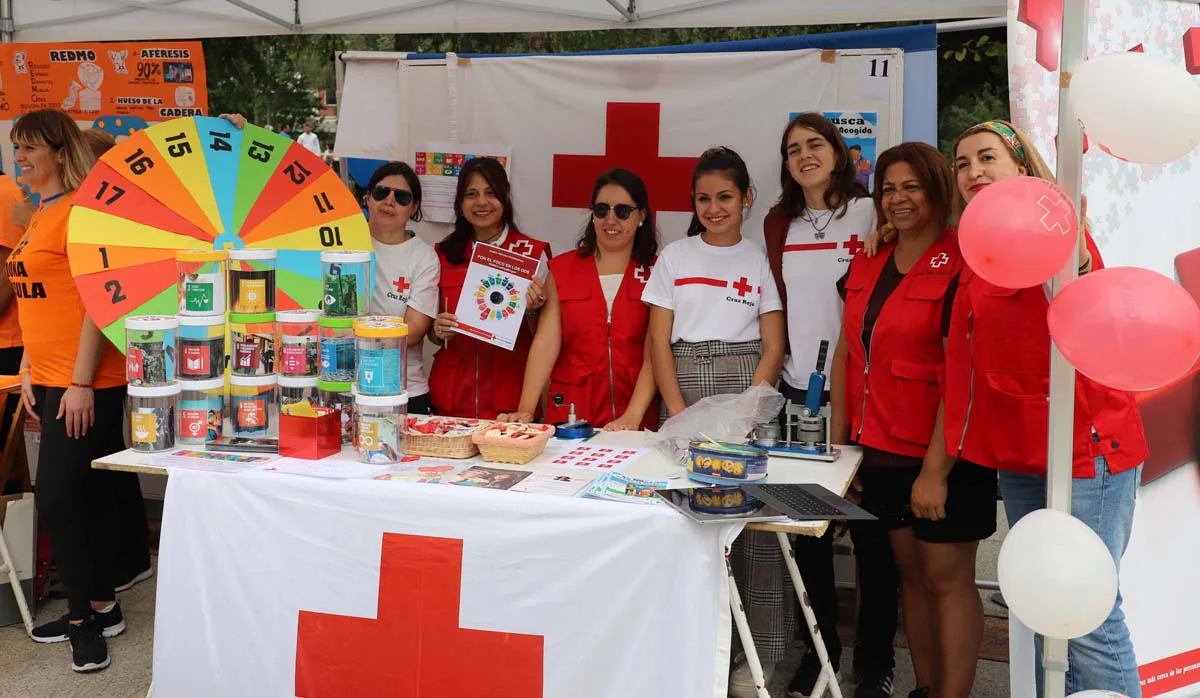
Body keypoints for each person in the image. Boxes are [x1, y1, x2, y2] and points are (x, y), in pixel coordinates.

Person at [945, 120, 1146, 698]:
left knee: (1089, 613)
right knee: (1041, 605)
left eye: (987, 158)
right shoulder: (974, 248)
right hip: (1022, 452)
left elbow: (1082, 283)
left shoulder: (1055, 231)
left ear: (1022, 167)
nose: (973, 172)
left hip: (1086, 447)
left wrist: (1075, 251)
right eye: (962, 164)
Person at [838, 142, 995, 698]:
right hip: (880, 449)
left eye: (911, 186)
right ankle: (927, 689)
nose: (897, 199)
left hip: (944, 457)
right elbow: (848, 355)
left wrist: (935, 471)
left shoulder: (965, 262)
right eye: (887, 188)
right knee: (913, 579)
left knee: (948, 581)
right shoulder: (871, 258)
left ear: (935, 189)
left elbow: (964, 375)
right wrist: (842, 452)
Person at [763, 112, 899, 698]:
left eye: (815, 144)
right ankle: (819, 653)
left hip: (866, 398)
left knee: (871, 536)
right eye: (793, 148)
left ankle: (874, 664)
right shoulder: (778, 222)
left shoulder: (874, 211)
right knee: (807, 530)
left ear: (839, 152)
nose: (804, 155)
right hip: (801, 393)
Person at [641, 147, 785, 697]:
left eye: (725, 196)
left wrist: (747, 410)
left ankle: (760, 659)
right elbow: (658, 340)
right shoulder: (675, 256)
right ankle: (691, 655)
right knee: (687, 524)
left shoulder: (758, 257)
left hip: (747, 396)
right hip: (684, 390)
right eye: (704, 198)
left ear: (747, 198)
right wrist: (679, 414)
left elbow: (773, 344)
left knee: (754, 530)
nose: (714, 207)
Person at [12, 109, 129, 672]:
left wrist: (80, 382)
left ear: (60, 151)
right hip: (55, 377)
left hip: (88, 382)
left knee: (59, 498)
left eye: (31, 147)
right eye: (16, 147)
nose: (20, 157)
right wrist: (32, 365)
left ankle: (85, 624)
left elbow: (96, 302)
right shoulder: (43, 212)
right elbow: (38, 294)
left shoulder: (82, 209)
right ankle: (102, 604)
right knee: (80, 496)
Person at [497, 168, 659, 430]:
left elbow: (657, 351)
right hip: (572, 409)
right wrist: (526, 409)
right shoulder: (561, 269)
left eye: (623, 211)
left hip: (636, 412)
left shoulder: (657, 272)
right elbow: (545, 345)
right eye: (602, 210)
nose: (611, 219)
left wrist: (633, 415)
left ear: (641, 216)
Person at [80, 127, 154, 593]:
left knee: (108, 461)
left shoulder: (117, 217)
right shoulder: (77, 214)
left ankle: (125, 561)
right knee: (113, 457)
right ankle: (131, 558)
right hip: (101, 361)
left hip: (112, 361)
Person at [429, 157, 550, 418]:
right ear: (460, 204)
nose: (481, 202)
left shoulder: (531, 254)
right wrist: (438, 329)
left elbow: (547, 336)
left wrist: (532, 311)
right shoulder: (444, 254)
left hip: (510, 398)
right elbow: (432, 331)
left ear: (505, 198)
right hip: (452, 398)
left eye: (490, 193)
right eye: (471, 194)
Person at [364, 161, 439, 415]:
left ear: (414, 207)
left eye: (402, 197)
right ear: (367, 198)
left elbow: (414, 331)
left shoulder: (424, 257)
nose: (389, 201)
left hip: (404, 391)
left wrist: (347, 331)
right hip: (343, 386)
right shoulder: (340, 241)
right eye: (381, 192)